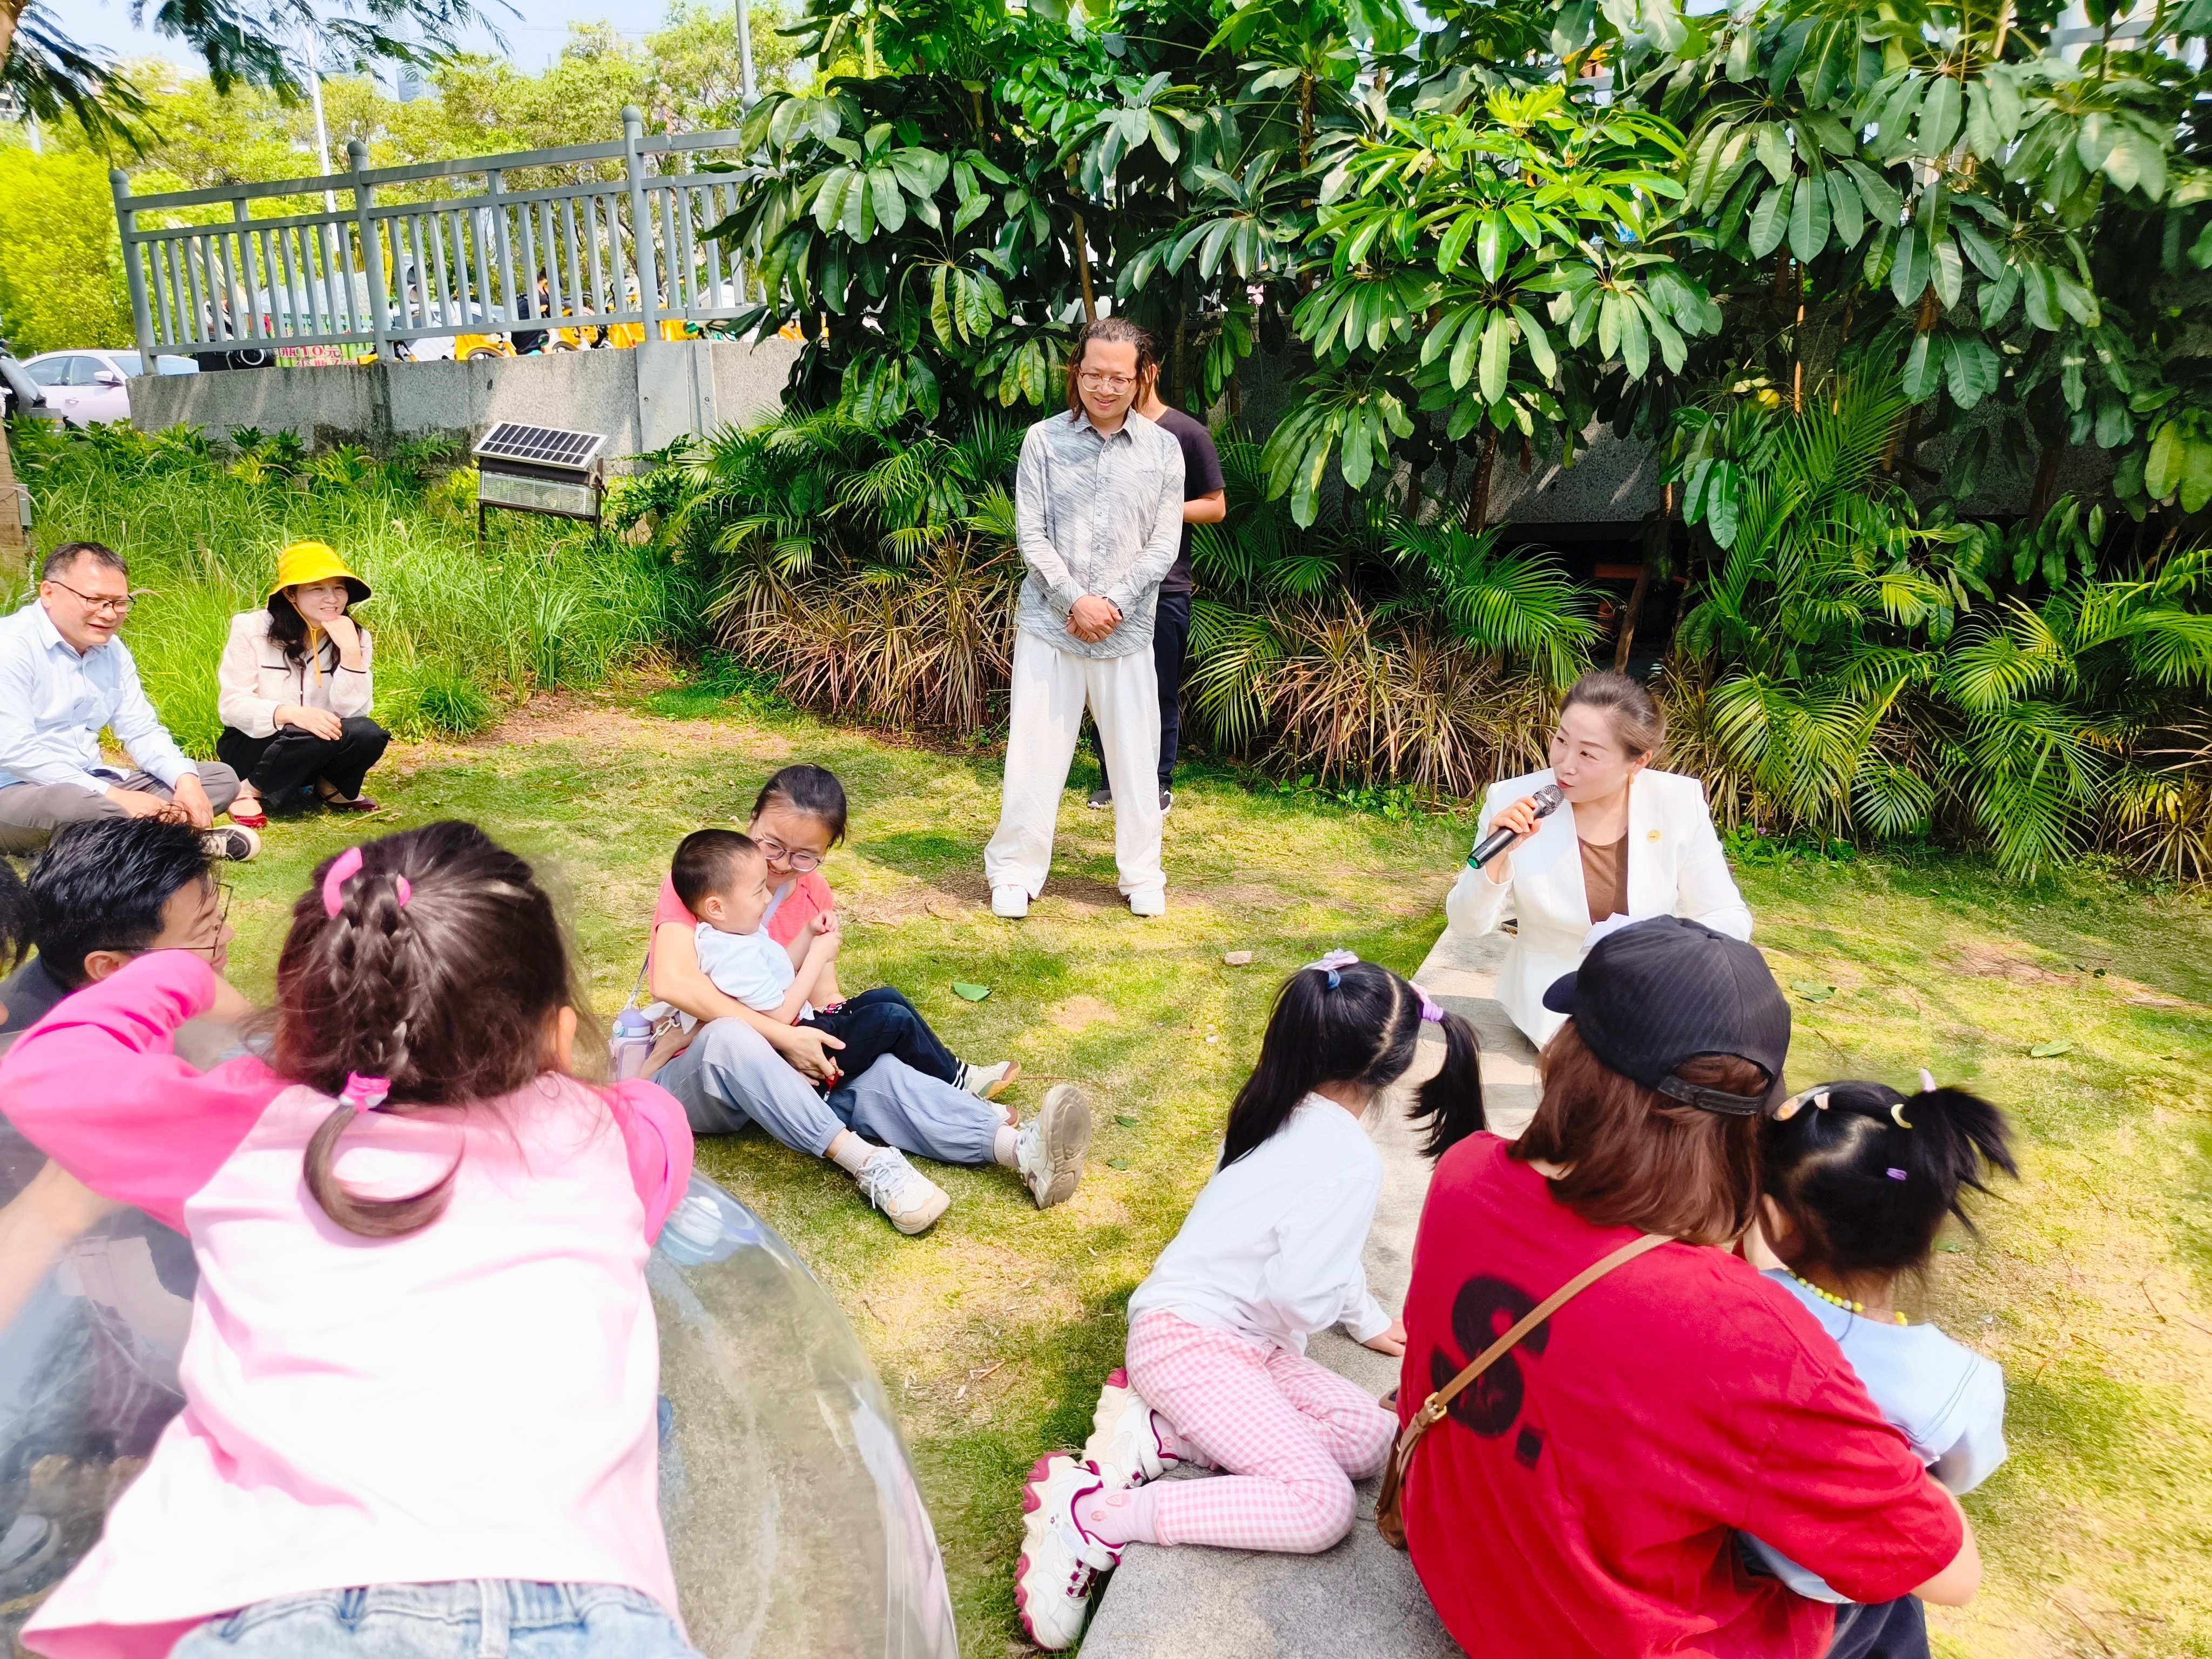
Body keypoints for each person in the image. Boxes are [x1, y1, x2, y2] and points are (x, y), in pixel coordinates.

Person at [0, 821, 705, 1659]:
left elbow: (44, 1077)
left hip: (281, 1605)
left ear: (298, 1028)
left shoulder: (246, 1124)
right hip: (593, 1610)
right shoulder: (629, 1132)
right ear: (555, 1033)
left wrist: (177, 974)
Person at [1394, 915, 1981, 1659]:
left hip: (1457, 1568)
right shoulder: (1744, 1333)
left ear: (1567, 1056)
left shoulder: (1468, 1172)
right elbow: (1951, 1570)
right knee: (1882, 1600)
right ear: (1752, 1126)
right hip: (1590, 1640)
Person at [1011, 953, 1487, 1651]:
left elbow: (1309, 1256)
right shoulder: (1350, 1158)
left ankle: (1167, 1434)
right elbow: (1302, 1293)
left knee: (1376, 1439)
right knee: (1320, 1506)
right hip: (1194, 1346)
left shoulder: (1270, 1104)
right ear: (1389, 1072)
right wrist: (1337, 1305)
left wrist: (1369, 1318)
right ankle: (1096, 1516)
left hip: (1214, 1341)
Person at [648, 765, 1094, 1236]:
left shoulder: (812, 892)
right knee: (731, 1038)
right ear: (752, 819)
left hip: (784, 1064)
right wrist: (788, 1036)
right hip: (700, 1073)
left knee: (875, 1070)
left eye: (804, 857)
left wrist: (840, 1039)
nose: (781, 866)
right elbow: (674, 983)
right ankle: (870, 1164)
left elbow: (825, 994)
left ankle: (1019, 1150)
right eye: (772, 845)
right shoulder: (705, 877)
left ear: (824, 855)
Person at [1742, 1075, 2018, 1658]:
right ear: (1931, 1225)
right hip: (1857, 1596)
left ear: (1773, 1217)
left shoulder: (1742, 1308)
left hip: (1739, 1556)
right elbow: (1955, 1482)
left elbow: (1768, 1265)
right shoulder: (1956, 1380)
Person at [986, 317, 1184, 920]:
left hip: (1127, 633)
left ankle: (1141, 874)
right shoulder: (1042, 441)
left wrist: (1112, 605)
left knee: (1135, 759)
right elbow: (1031, 535)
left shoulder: (1164, 449)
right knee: (1033, 756)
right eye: (1093, 374)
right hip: (1051, 626)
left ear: (1142, 377)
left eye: (1118, 377)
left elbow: (1163, 544)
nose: (1105, 388)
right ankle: (1015, 872)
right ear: (1077, 372)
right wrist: (1075, 600)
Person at [1444, 669, 1748, 1048]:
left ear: (1637, 762)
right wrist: (1497, 859)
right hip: (1551, 1010)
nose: (1565, 764)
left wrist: (1669, 955)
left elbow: (1728, 916)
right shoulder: (1514, 800)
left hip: (1651, 1000)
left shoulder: (1677, 802)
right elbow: (1467, 925)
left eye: (1588, 753)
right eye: (1561, 740)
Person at [674, 826, 1017, 1098]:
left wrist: (809, 934)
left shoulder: (737, 931)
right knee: (891, 1019)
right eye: (758, 891)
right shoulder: (730, 954)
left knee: (888, 997)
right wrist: (818, 958)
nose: (768, 896)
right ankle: (957, 1086)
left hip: (804, 1027)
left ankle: (955, 1071)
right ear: (717, 907)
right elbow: (779, 1015)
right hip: (794, 1051)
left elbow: (780, 970)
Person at [0, 541, 254, 860]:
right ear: (49, 593)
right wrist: (116, 797)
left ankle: (120, 842)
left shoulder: (113, 650)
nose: (108, 614)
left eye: (119, 603)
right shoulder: (10, 646)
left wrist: (185, 781)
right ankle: (174, 841)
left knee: (218, 779)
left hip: (92, 780)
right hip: (19, 789)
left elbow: (141, 729)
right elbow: (16, 750)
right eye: (95, 600)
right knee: (76, 806)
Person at [1086, 358, 1225, 818]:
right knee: (1104, 690)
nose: (1112, 385)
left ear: (1150, 372)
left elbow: (1216, 507)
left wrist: (1159, 508)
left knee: (1160, 688)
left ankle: (1158, 782)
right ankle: (1110, 780)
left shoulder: (1186, 435)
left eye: (1126, 373)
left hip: (1165, 587)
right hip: (1101, 591)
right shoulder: (1095, 432)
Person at [215, 539, 389, 828]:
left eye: (338, 588)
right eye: (317, 588)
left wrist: (350, 653)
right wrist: (291, 714)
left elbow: (353, 711)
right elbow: (232, 707)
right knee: (308, 731)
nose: (332, 599)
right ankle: (248, 790)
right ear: (291, 594)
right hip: (255, 748)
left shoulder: (356, 637)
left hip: (316, 749)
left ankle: (330, 787)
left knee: (368, 733)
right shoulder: (251, 628)